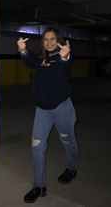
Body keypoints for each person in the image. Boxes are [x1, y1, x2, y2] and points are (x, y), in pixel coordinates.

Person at [17, 26, 79, 204]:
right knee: (37, 146)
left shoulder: (60, 58)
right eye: (46, 39)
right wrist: (23, 50)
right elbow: (30, 61)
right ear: (43, 42)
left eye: (53, 39)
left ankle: (72, 168)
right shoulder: (41, 60)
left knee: (67, 140)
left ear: (58, 41)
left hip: (62, 108)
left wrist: (66, 55)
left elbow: (66, 63)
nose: (49, 42)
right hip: (42, 110)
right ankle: (39, 186)